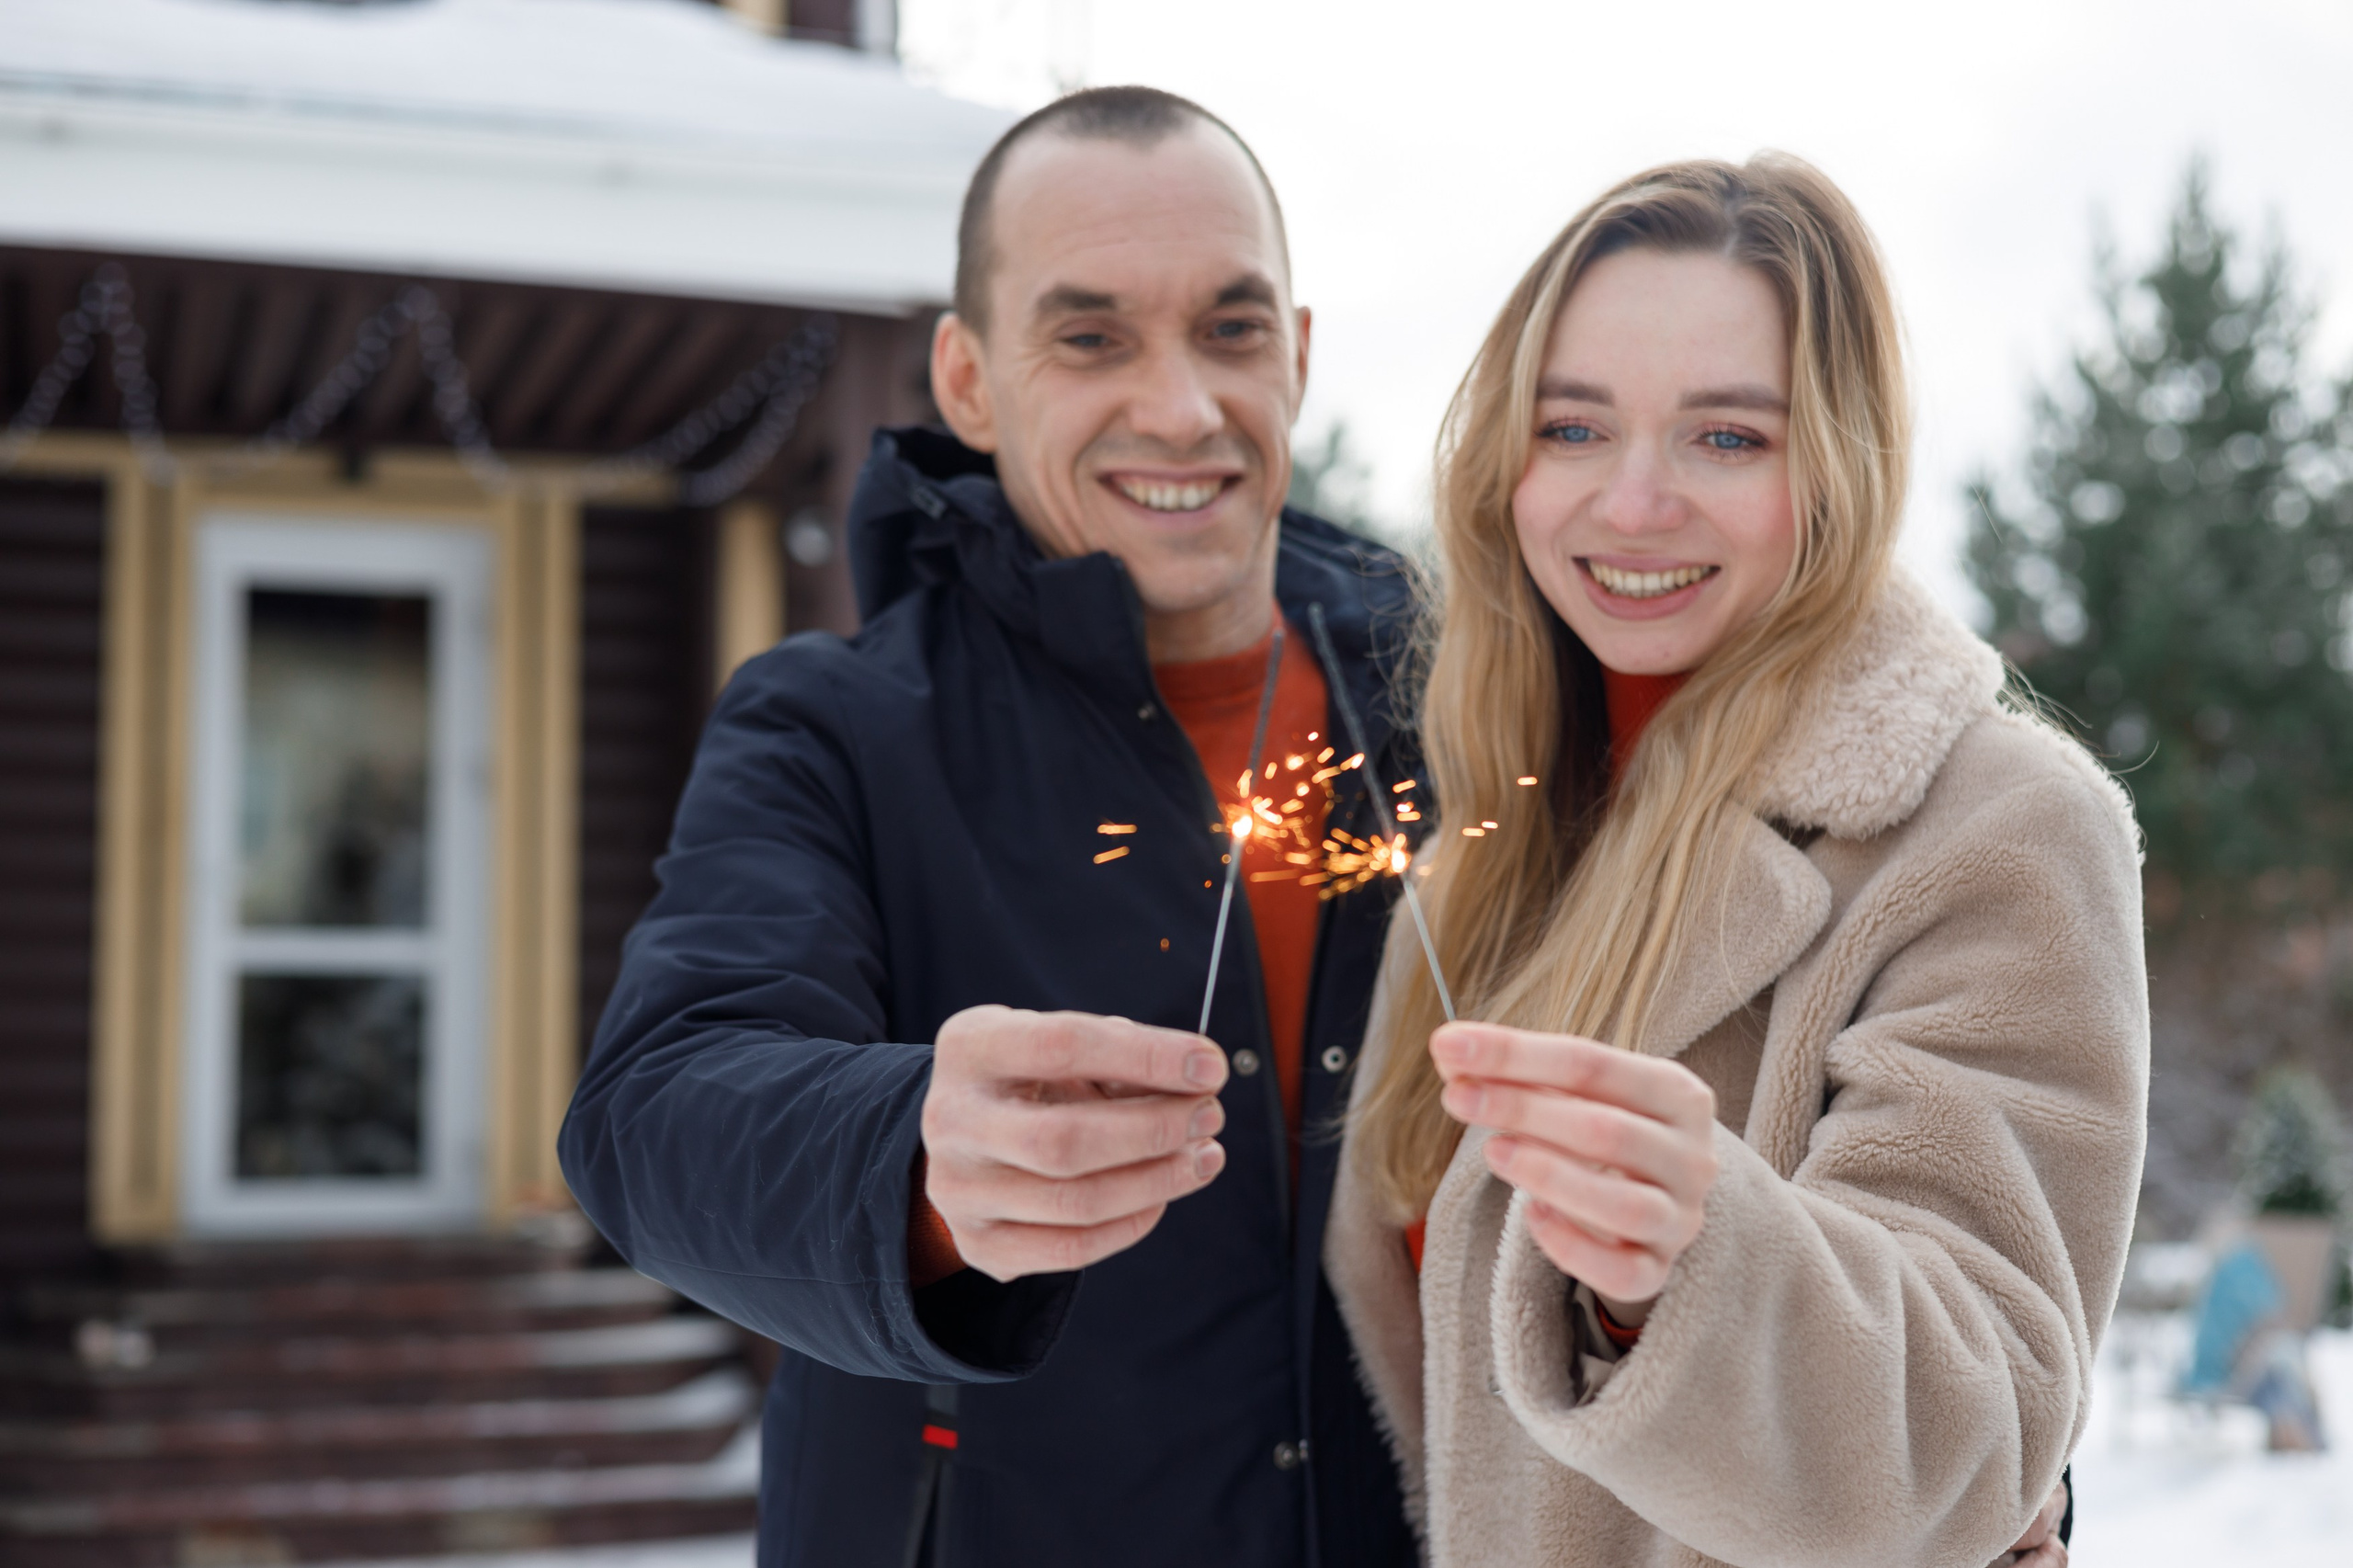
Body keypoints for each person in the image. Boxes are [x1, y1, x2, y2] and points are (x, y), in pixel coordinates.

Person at [559, 87, 1420, 1568]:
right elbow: (652, 1111)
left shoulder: (1450, 705)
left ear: (1296, 352)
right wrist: (909, 1163)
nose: (1182, 407)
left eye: (1230, 329)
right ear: (967, 378)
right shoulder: (832, 725)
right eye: (1091, 338)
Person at [1323, 155, 2143, 1567]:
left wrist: (1686, 1268)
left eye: (1726, 437)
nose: (1634, 502)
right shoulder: (1484, 855)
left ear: (1836, 465)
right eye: (1573, 427)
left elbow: (1973, 1428)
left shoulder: (1997, 824)